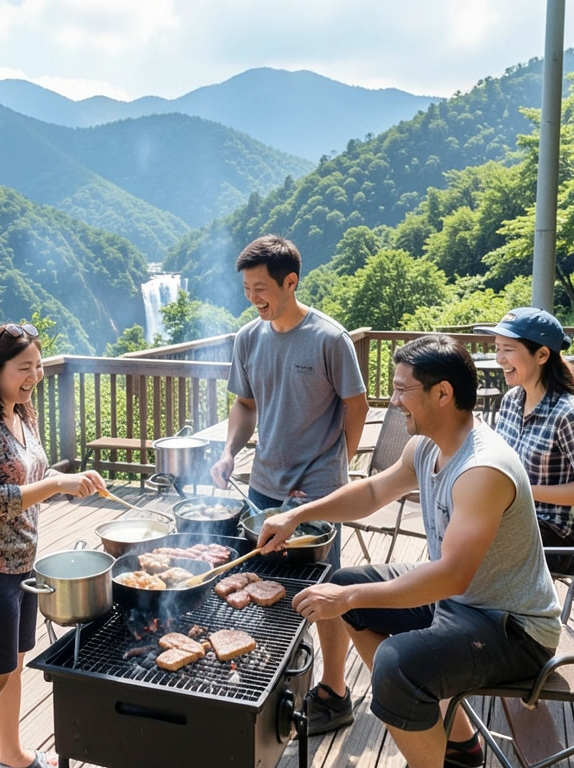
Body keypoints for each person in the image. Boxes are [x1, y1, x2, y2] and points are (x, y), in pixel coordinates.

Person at [257, 334, 561, 768]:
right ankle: (459, 748)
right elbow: (372, 492)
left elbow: (452, 575)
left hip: (512, 628)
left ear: (443, 393)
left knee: (396, 665)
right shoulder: (426, 445)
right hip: (461, 603)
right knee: (343, 584)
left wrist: (348, 599)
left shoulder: (481, 470)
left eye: (403, 390)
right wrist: (296, 515)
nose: (394, 401)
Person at [208, 234, 369, 735]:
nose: (253, 297)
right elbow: (246, 404)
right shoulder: (248, 338)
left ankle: (336, 692)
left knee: (324, 591)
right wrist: (230, 450)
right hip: (262, 485)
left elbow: (356, 405)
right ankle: (280, 681)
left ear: (290, 282)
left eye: (261, 287)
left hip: (316, 492)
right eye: (247, 288)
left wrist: (335, 464)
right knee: (263, 586)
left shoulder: (329, 338)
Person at [0, 322, 107, 768]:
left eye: (37, 366)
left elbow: (32, 471)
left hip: (19, 565)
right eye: (23, 368)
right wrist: (56, 483)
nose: (33, 376)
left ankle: (11, 754)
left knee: (11, 668)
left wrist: (73, 480)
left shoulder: (19, 412)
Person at [475, 308, 574, 573]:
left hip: (557, 535)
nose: (499, 359)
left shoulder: (570, 414)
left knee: (469, 546)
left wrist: (523, 491)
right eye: (497, 349)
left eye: (508, 349)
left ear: (542, 354)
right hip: (518, 515)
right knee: (452, 518)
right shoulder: (512, 400)